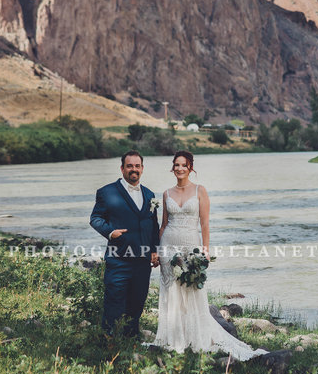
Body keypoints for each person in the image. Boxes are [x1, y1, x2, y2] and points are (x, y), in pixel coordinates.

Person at [154, 150, 266, 360]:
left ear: (191, 168)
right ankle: (173, 336)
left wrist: (205, 251)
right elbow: (163, 225)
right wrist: (157, 251)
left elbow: (205, 224)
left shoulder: (200, 190)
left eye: (184, 165)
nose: (180, 168)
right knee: (171, 291)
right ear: (172, 168)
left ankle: (194, 336)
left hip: (191, 246)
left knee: (191, 289)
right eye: (176, 165)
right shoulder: (167, 193)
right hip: (168, 246)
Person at [90, 150, 160, 339]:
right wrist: (110, 232)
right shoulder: (106, 192)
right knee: (114, 302)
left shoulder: (149, 194)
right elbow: (95, 218)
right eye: (129, 166)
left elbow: (154, 226)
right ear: (122, 168)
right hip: (118, 259)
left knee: (137, 303)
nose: (133, 169)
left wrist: (155, 250)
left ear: (142, 169)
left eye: (137, 166)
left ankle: (131, 341)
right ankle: (108, 341)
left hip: (142, 261)